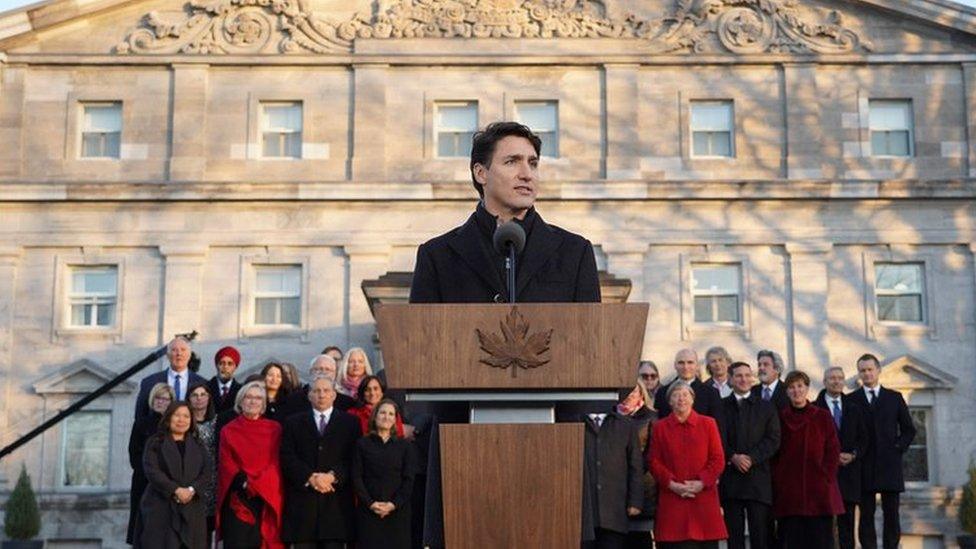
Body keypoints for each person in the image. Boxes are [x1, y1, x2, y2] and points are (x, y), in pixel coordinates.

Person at [409, 121, 601, 303]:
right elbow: (419, 334)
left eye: (533, 163)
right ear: (481, 173)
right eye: (512, 162)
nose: (526, 174)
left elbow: (591, 332)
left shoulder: (575, 252)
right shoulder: (437, 256)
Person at [280, 375, 361, 548]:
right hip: (303, 508)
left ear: (334, 395)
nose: (321, 395)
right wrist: (310, 477)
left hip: (336, 508)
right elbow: (287, 456)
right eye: (316, 391)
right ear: (309, 395)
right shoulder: (293, 422)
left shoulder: (351, 423)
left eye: (326, 391)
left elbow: (354, 457)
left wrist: (333, 476)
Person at [848, 353, 916, 549]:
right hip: (864, 466)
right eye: (862, 370)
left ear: (878, 370)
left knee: (892, 515)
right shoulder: (852, 400)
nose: (867, 373)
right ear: (859, 373)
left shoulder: (894, 398)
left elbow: (909, 430)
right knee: (866, 516)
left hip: (890, 466)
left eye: (870, 369)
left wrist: (897, 448)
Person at [649, 381, 727, 548]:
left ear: (693, 399)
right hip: (673, 501)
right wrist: (672, 484)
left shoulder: (708, 424)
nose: (681, 399)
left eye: (685, 394)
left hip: (703, 501)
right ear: (669, 401)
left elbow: (718, 459)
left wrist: (701, 482)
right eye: (676, 395)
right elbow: (654, 461)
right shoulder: (660, 428)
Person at [771, 371, 844, 549]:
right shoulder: (780, 418)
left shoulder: (822, 416)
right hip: (790, 493)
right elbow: (775, 452)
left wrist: (826, 476)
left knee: (821, 541)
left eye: (800, 386)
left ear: (807, 388)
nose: (796, 391)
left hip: (819, 491)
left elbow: (833, 449)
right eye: (791, 387)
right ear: (787, 391)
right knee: (793, 540)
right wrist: (780, 478)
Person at [217, 381, 285, 549]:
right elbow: (226, 462)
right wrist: (245, 482)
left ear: (263, 404)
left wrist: (259, 484)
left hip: (266, 495)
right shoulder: (228, 430)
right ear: (240, 401)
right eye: (249, 397)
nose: (253, 401)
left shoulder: (275, 428)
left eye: (258, 398)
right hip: (239, 495)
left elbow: (276, 460)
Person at [720, 362, 780, 549]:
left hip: (758, 480)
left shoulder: (766, 407)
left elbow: (773, 439)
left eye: (747, 375)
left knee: (761, 536)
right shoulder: (721, 407)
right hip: (731, 480)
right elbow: (717, 438)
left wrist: (751, 458)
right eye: (738, 375)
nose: (744, 379)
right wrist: (733, 457)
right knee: (734, 537)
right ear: (730, 379)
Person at [137, 401, 211, 549]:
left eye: (186, 416)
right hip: (160, 507)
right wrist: (175, 490)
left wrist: (191, 490)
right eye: (177, 415)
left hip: (192, 507)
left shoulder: (198, 444)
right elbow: (152, 470)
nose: (181, 420)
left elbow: (207, 471)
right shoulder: (155, 442)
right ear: (169, 417)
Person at [581, 390, 643, 549]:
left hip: (614, 509)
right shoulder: (573, 422)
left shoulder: (625, 425)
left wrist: (635, 501)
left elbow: (635, 465)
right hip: (583, 510)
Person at [814, 367, 868, 549]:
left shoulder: (854, 408)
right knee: (824, 528)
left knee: (847, 526)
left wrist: (853, 455)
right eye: (832, 378)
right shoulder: (814, 408)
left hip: (849, 475)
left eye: (840, 378)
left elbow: (864, 439)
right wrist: (830, 457)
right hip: (824, 476)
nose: (836, 381)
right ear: (824, 381)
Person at [352, 399, 417, 549]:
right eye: (382, 412)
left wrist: (393, 505)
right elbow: (357, 477)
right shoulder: (362, 444)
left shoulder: (405, 446)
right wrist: (371, 503)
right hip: (368, 512)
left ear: (395, 419)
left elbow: (408, 479)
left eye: (390, 414)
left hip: (397, 513)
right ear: (375, 417)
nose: (386, 417)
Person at [127, 382, 174, 545]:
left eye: (165, 399)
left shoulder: (175, 426)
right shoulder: (141, 423)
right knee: (143, 532)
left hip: (169, 486)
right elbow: (134, 455)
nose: (161, 402)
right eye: (158, 398)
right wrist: (152, 475)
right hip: (144, 483)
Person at [616, 379, 657, 549]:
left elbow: (651, 452)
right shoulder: (612, 416)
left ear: (641, 394)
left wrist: (633, 471)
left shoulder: (651, 417)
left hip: (642, 484)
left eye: (632, 392)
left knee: (640, 536)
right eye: (624, 392)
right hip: (616, 484)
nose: (628, 397)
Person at [654, 349, 724, 438]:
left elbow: (719, 428)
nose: (685, 367)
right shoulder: (662, 392)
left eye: (690, 362)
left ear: (697, 365)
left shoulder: (711, 393)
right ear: (675, 365)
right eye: (681, 363)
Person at [135, 337, 206, 419]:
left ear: (189, 355)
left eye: (183, 350)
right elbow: (140, 418)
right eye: (174, 350)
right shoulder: (149, 382)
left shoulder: (203, 383)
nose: (179, 353)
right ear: (167, 355)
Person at [188, 380, 218, 547]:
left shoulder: (217, 421)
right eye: (194, 395)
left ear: (209, 398)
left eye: (203, 395)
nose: (199, 399)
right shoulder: (185, 422)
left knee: (208, 531)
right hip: (192, 480)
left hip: (214, 481)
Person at [208, 346, 243, 414]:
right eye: (222, 363)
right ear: (217, 365)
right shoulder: (205, 388)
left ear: (235, 367)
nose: (225, 367)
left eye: (230, 364)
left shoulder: (241, 390)